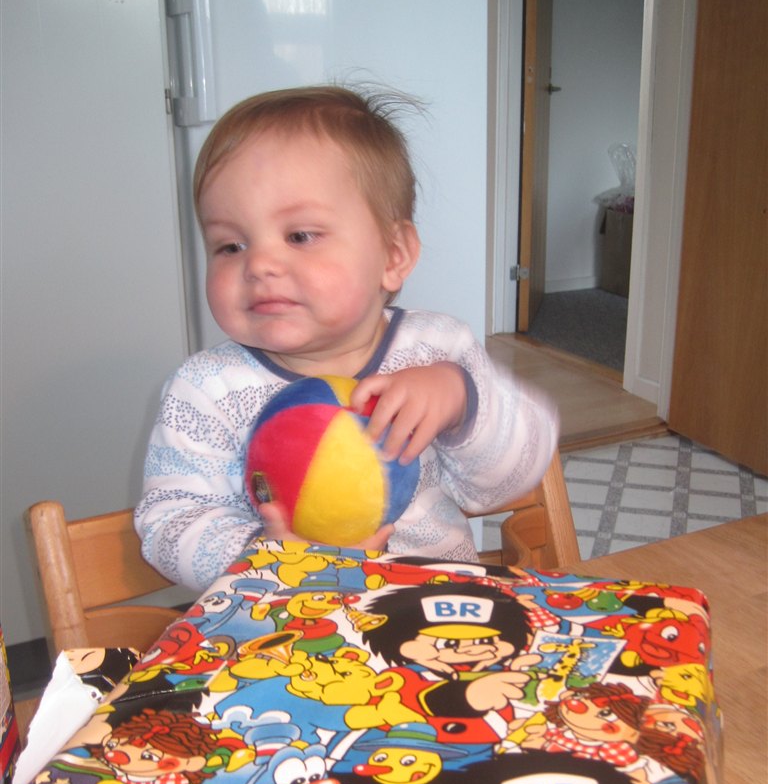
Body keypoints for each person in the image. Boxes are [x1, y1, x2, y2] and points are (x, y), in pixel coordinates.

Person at [135, 85, 558, 591]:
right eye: (230, 246)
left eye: (300, 236)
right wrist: (264, 555)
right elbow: (168, 522)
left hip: (437, 607)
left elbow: (507, 479)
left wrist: (464, 402)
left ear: (393, 255)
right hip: (288, 617)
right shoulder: (206, 389)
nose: (260, 264)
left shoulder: (437, 349)